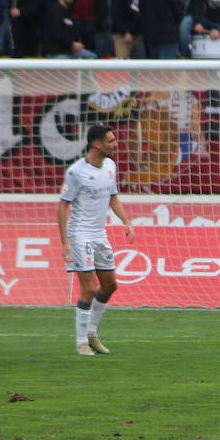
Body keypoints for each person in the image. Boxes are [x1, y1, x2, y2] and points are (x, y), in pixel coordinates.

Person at [57, 124, 134, 356]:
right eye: (111, 140)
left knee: (110, 285)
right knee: (89, 288)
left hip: (100, 234)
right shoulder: (76, 172)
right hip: (79, 234)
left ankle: (91, 333)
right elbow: (62, 206)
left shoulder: (110, 166)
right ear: (97, 144)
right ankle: (81, 343)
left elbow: (113, 197)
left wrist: (126, 222)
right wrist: (65, 242)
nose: (115, 143)